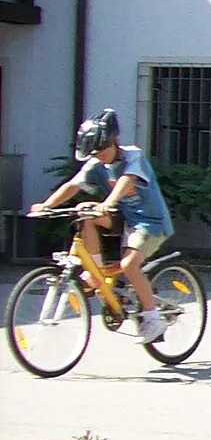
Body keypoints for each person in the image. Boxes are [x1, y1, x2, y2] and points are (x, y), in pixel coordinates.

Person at [29, 109, 174, 343]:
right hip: (123, 218)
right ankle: (95, 272)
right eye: (93, 153)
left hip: (150, 223)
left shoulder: (132, 157)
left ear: (113, 141)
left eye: (102, 149)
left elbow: (127, 179)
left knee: (129, 265)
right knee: (84, 213)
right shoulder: (95, 163)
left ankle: (153, 319)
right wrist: (46, 205)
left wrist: (108, 202)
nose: (99, 156)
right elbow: (73, 185)